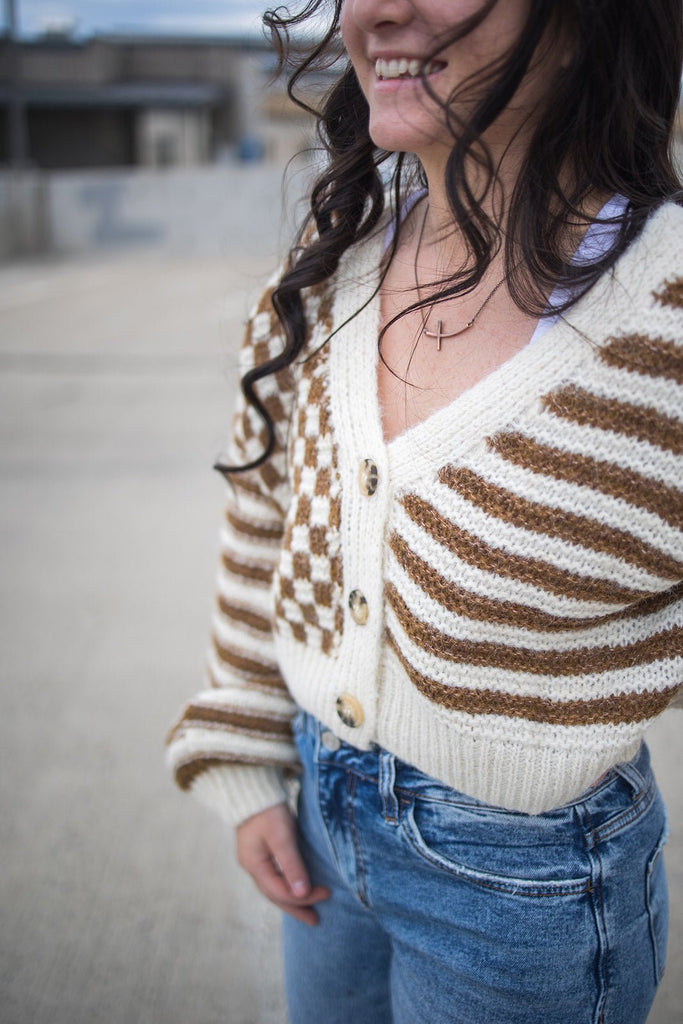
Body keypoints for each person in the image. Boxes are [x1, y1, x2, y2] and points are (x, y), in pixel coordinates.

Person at [167, 1, 683, 1020]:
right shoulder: (325, 274)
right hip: (320, 829)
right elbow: (263, 527)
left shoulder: (662, 307)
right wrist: (244, 756)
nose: (376, 11)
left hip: (523, 888)